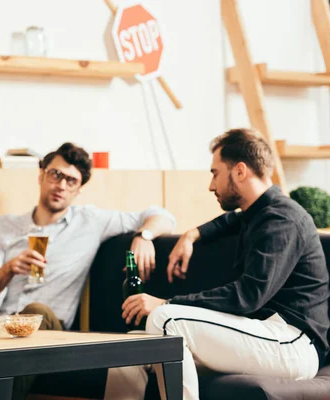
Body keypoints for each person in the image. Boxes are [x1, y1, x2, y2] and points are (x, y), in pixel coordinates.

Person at [115, 128, 329, 400]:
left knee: (166, 321)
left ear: (240, 171)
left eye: (215, 172)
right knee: (130, 349)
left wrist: (166, 303)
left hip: (292, 342)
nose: (211, 185)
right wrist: (192, 234)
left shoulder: (281, 221)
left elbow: (248, 296)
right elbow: (230, 221)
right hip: (266, 337)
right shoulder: (258, 213)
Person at [0, 142, 176, 399]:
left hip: (51, 332)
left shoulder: (90, 221)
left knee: (35, 313)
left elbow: (161, 214)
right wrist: (8, 270)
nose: (61, 185)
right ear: (41, 174)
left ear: (78, 190)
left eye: (71, 181)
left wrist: (144, 236)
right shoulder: (5, 227)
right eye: (56, 174)